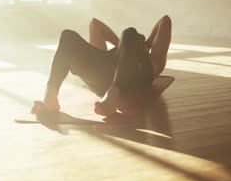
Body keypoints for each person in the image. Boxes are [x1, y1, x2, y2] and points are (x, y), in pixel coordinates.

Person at [31, 15, 172, 116]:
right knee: (68, 36)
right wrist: (127, 47)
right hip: (106, 72)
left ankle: (113, 93)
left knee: (130, 31)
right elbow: (95, 24)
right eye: (136, 42)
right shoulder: (123, 50)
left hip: (130, 80)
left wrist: (142, 45)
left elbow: (165, 21)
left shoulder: (154, 62)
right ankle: (51, 95)